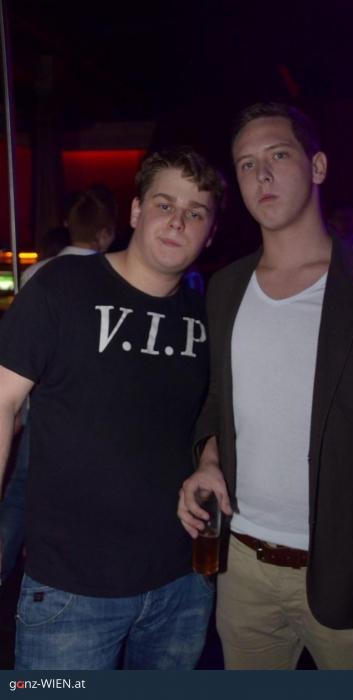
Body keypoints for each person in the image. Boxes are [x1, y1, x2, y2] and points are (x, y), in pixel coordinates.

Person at [178, 102, 353, 670]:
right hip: (244, 569)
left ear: (317, 166)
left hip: (352, 575)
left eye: (278, 155)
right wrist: (209, 455)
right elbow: (218, 400)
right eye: (247, 165)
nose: (262, 175)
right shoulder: (225, 288)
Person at [0, 147, 225, 670]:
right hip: (72, 593)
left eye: (195, 212)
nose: (178, 221)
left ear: (211, 233)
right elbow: (3, 401)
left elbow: (212, 411)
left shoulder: (207, 313)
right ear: (136, 211)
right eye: (165, 204)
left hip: (182, 586)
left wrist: (211, 458)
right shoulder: (63, 286)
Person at [0, 185, 118, 583]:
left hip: (36, 403)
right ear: (105, 233)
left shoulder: (36, 272)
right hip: (81, 411)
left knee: (21, 491)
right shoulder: (109, 278)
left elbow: (17, 349)